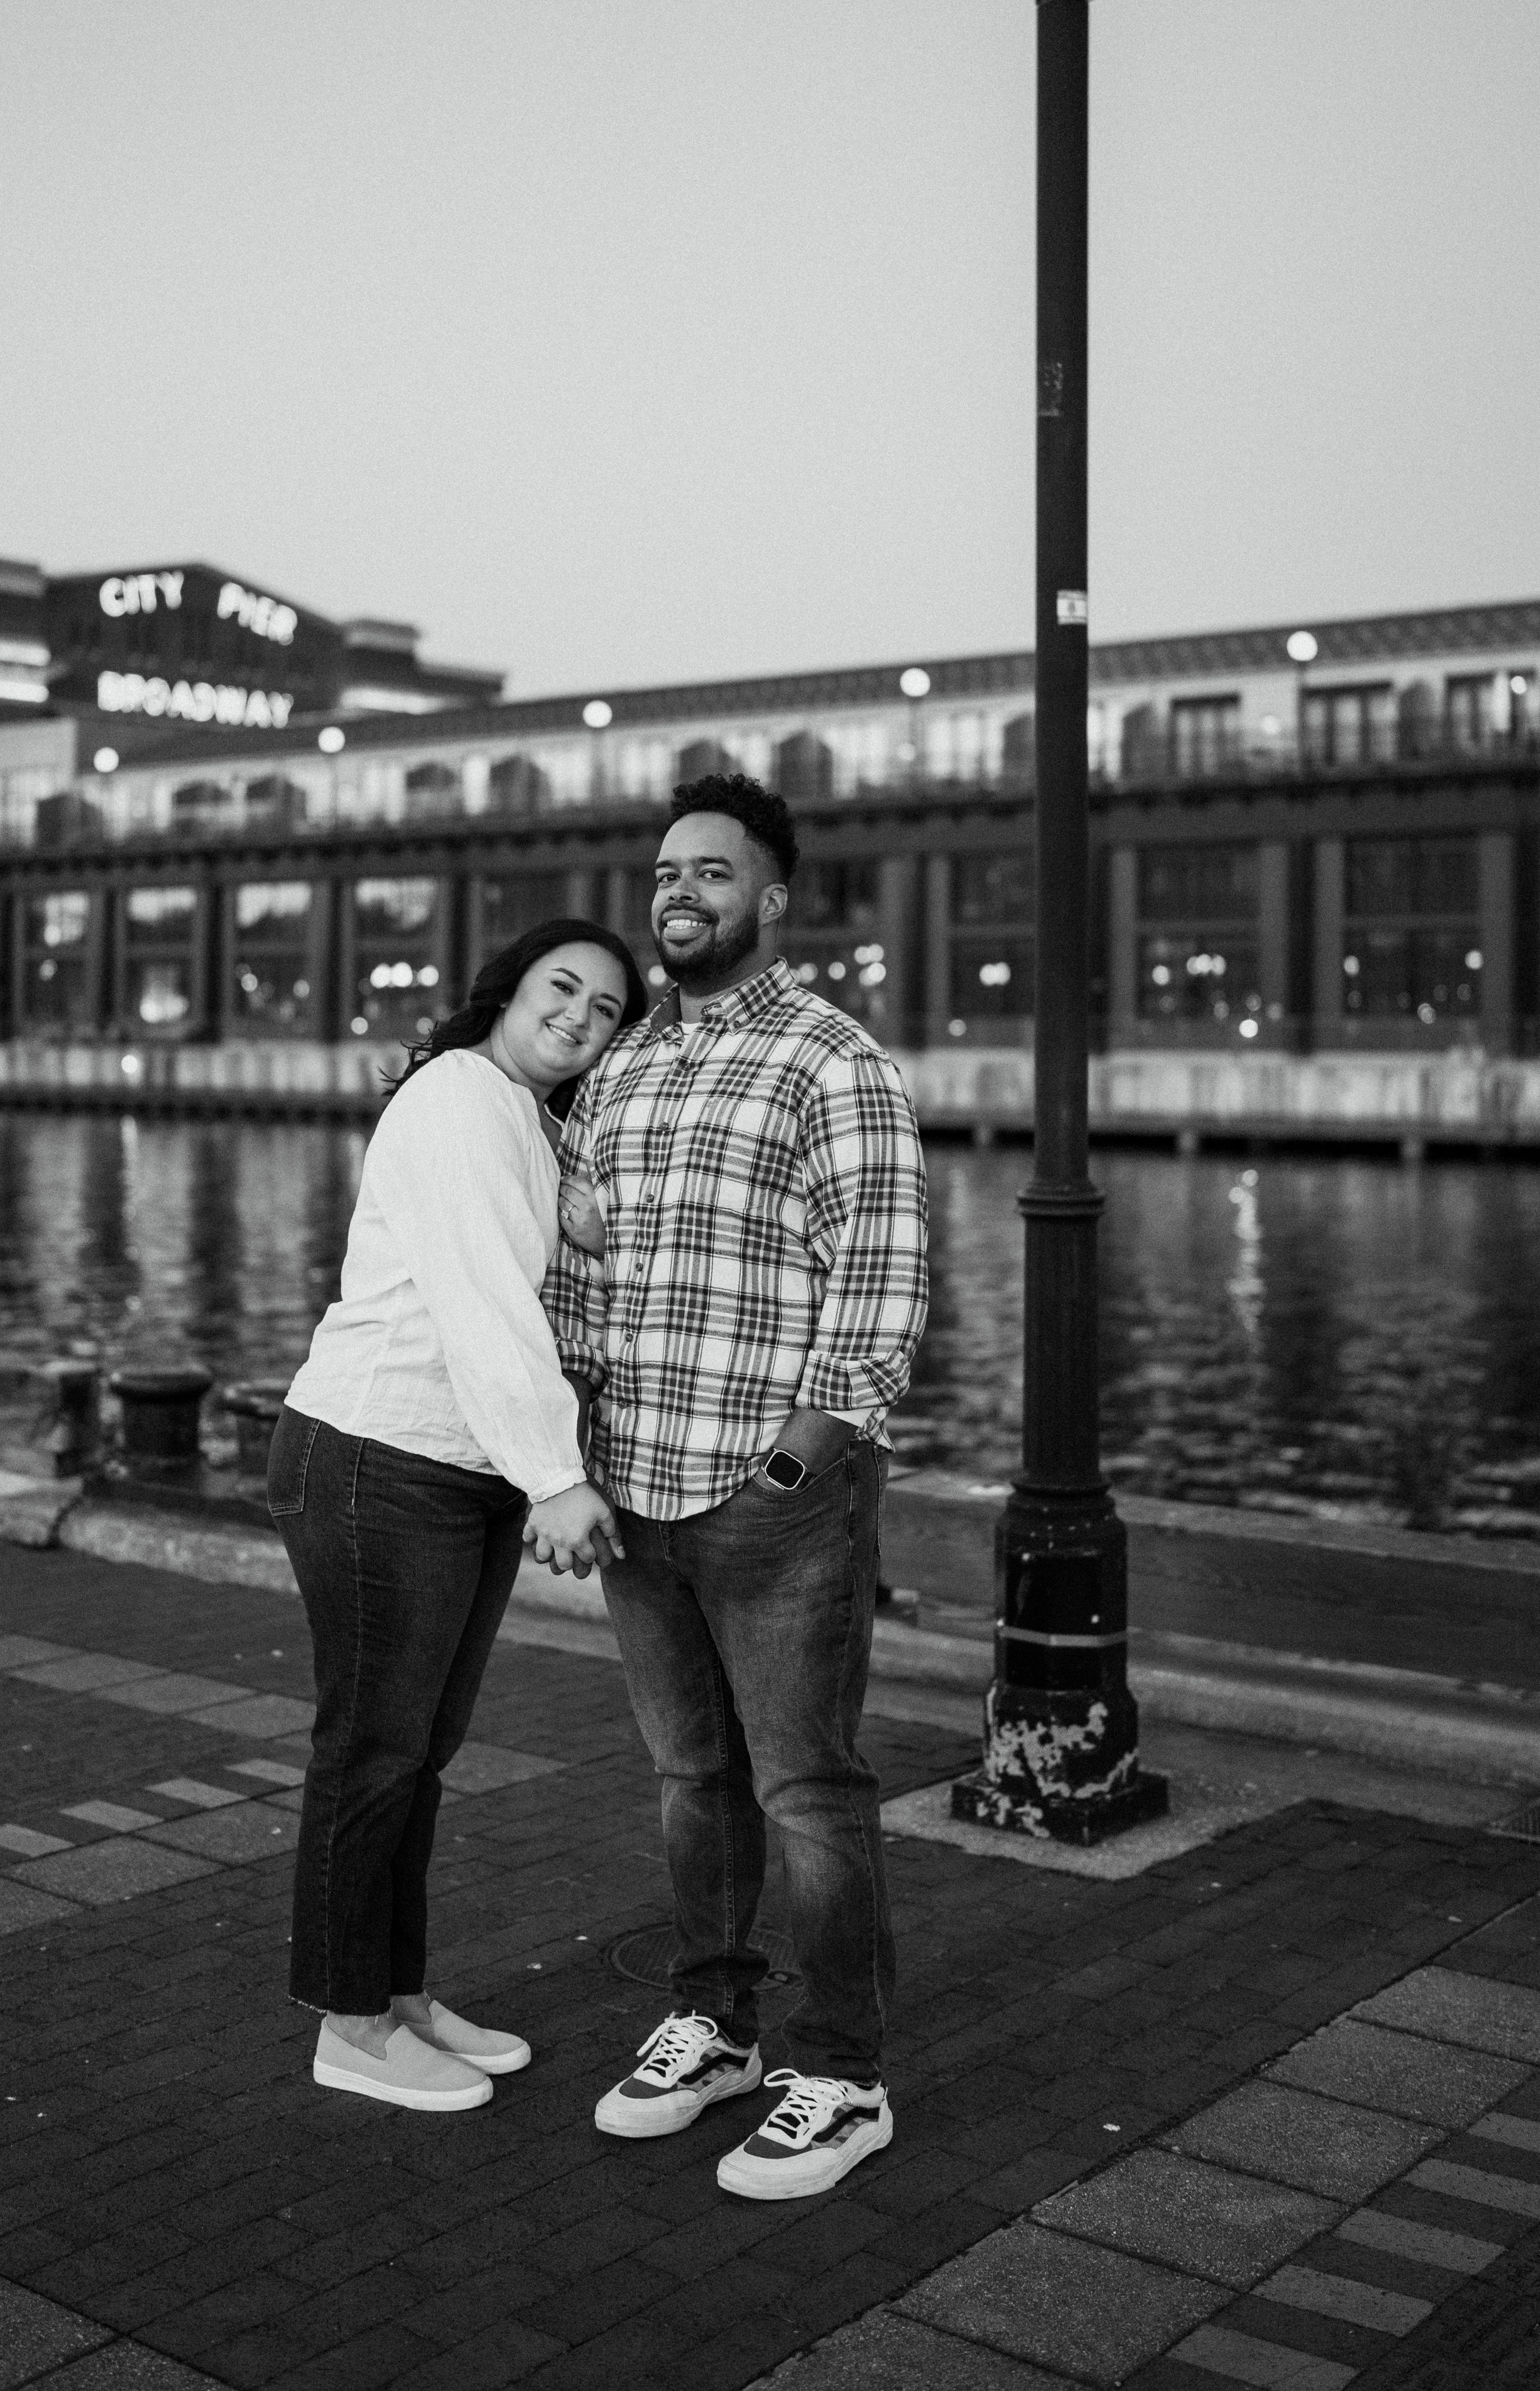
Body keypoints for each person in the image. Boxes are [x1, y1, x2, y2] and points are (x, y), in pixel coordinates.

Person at [546, 773, 928, 2199]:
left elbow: (879, 1282)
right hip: (635, 1486)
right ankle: (714, 2022)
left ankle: (841, 2075)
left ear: (771, 898)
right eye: (663, 874)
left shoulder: (838, 1061)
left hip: (769, 1494)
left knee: (809, 1786)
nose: (677, 896)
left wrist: (800, 1454)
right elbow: (582, 1256)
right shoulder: (627, 1060)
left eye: (709, 873)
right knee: (691, 1780)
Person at [268, 917, 646, 2113]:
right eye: (564, 987)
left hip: (449, 1467)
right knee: (374, 1747)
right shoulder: (460, 1103)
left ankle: (399, 1993)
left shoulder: (523, 1119)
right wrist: (559, 1476)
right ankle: (351, 2024)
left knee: (418, 1752)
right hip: (381, 1454)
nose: (581, 1017)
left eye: (605, 1010)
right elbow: (486, 1304)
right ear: (508, 988)